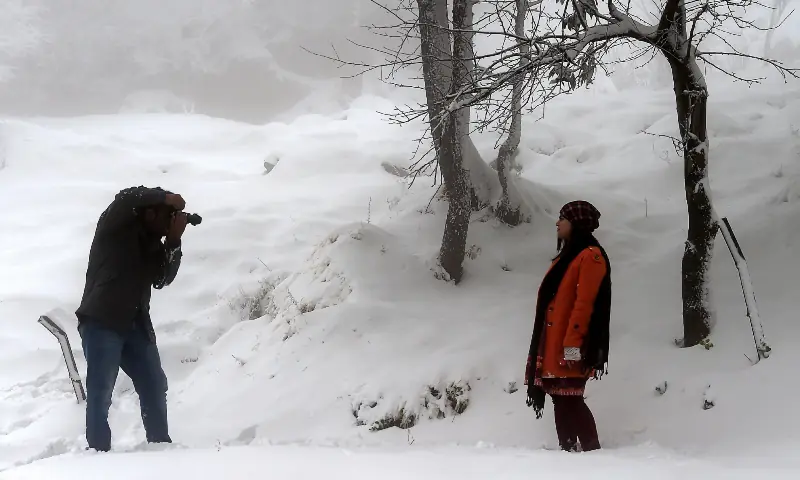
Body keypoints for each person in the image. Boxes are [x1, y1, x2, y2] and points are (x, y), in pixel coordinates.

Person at [75, 186, 188, 452]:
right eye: (167, 216)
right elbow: (125, 197)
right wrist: (165, 197)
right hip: (102, 320)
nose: (170, 221)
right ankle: (97, 452)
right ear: (150, 213)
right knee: (101, 391)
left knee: (154, 383)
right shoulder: (117, 223)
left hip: (135, 323)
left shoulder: (152, 244)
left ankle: (160, 446)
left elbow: (162, 279)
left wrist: (173, 241)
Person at [524, 200, 612, 452]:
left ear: (576, 223)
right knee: (560, 397)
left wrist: (572, 348)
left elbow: (585, 306)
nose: (557, 222)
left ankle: (591, 450)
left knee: (570, 398)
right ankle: (568, 450)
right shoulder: (570, 255)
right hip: (555, 342)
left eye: (562, 218)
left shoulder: (590, 257)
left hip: (571, 344)